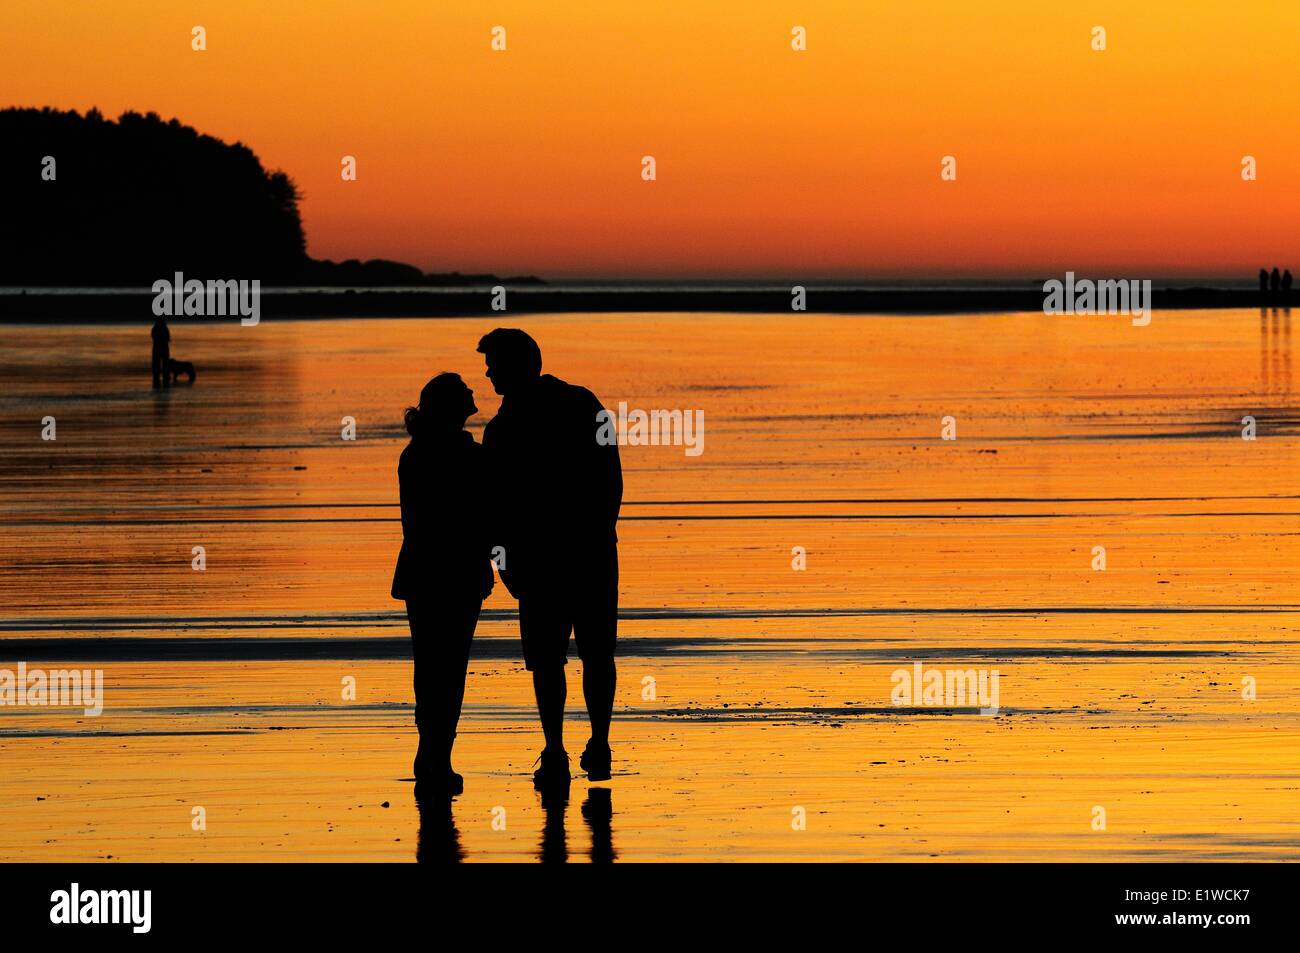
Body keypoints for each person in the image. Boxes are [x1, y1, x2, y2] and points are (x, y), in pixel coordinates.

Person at [477, 328, 622, 791]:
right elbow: (610, 479)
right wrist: (600, 534)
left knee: (549, 658)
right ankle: (593, 743)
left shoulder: (505, 428)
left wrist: (504, 561)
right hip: (586, 551)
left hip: (544, 556)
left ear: (519, 364)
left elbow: (494, 504)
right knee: (592, 654)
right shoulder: (581, 403)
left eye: (494, 364)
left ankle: (559, 748)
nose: (488, 372)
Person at [391, 373, 494, 799]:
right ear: (455, 408)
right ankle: (438, 753)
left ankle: (430, 751)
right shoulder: (466, 455)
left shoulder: (414, 454)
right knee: (449, 668)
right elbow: (485, 514)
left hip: (423, 572)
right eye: (466, 393)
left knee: (430, 666)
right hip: (457, 572)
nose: (475, 392)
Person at [151, 318, 170, 388]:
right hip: (162, 348)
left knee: (158, 363)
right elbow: (168, 338)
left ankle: (159, 376)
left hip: (158, 348)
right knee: (163, 363)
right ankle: (163, 375)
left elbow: (153, 337)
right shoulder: (164, 328)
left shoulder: (154, 328)